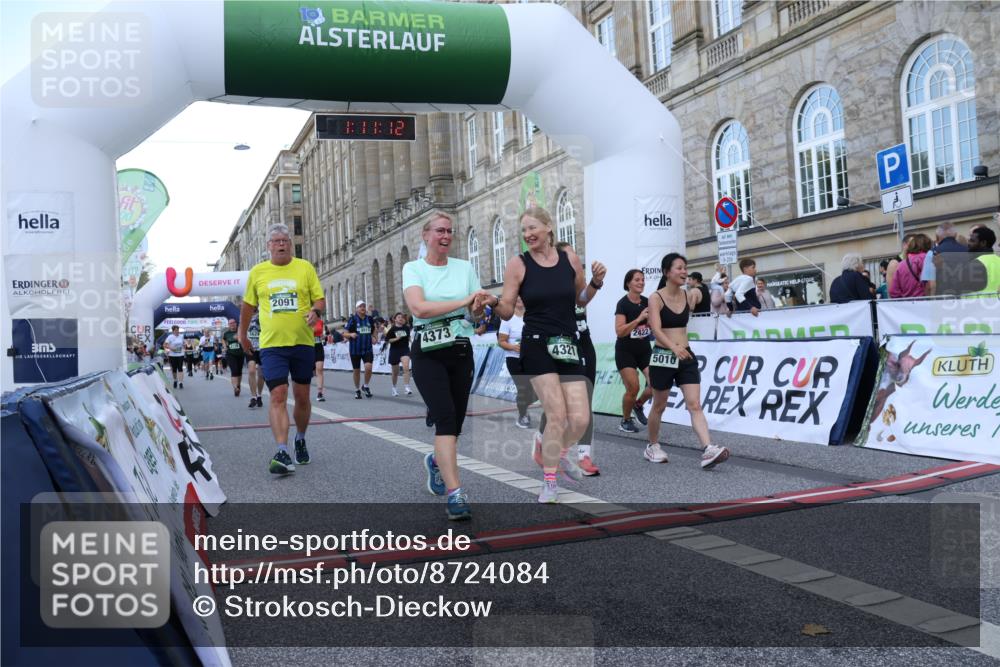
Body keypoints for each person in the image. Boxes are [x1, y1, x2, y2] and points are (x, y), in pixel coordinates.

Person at [489, 206, 606, 503]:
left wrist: (595, 283)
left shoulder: (569, 258)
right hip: (537, 342)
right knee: (557, 414)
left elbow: (580, 300)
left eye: (533, 228)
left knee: (579, 419)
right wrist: (492, 302)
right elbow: (506, 308)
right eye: (524, 230)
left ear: (549, 227)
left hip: (567, 342)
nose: (528, 235)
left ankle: (554, 450)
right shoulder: (518, 263)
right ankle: (550, 481)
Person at [402, 211, 489, 520]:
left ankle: (437, 463)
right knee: (445, 418)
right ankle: (456, 494)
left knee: (456, 424)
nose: (446, 235)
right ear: (425, 236)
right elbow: (419, 309)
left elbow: (475, 316)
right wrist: (465, 301)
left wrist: (477, 309)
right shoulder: (413, 269)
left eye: (450, 231)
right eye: (439, 230)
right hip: (426, 351)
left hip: (460, 348)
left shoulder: (464, 268)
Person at [238, 223, 325, 475]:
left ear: (290, 243)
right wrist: (242, 334)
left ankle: (300, 438)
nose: (281, 244)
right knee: (277, 395)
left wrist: (316, 311)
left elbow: (319, 298)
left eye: (285, 240)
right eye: (276, 241)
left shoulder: (304, 267)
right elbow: (247, 306)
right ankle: (282, 450)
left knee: (302, 397)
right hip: (272, 344)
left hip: (302, 342)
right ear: (268, 246)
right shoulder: (258, 272)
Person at [645, 253, 729, 468]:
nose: (684, 272)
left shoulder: (688, 294)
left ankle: (708, 448)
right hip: (664, 355)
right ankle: (652, 446)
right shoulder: (656, 297)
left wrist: (720, 283)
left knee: (694, 404)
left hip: (686, 356)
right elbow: (655, 328)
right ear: (667, 272)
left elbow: (709, 297)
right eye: (679, 268)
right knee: (659, 406)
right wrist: (673, 347)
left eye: (686, 268)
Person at [533, 241, 602, 476]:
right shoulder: (553, 287)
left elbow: (584, 299)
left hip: (583, 344)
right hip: (558, 344)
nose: (575, 264)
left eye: (576, 259)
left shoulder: (578, 284)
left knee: (585, 401)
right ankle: (542, 438)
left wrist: (596, 281)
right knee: (556, 405)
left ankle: (584, 454)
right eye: (570, 258)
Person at [614, 269, 653, 434]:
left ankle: (638, 405)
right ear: (628, 283)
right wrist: (638, 320)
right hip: (626, 351)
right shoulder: (622, 304)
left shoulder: (648, 301)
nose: (641, 282)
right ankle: (625, 420)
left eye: (643, 279)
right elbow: (620, 331)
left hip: (644, 349)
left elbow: (653, 325)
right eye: (637, 280)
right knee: (633, 387)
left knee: (656, 384)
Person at [498, 297, 536, 429]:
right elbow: (501, 341)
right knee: (523, 388)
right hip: (514, 359)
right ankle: (522, 416)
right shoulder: (507, 318)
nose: (520, 299)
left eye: (522, 296)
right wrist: (514, 347)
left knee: (537, 388)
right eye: (517, 297)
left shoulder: (532, 316)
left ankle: (522, 405)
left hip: (531, 358)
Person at [922, 222, 967, 296]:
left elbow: (928, 283)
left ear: (937, 236)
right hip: (964, 298)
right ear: (955, 235)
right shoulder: (967, 250)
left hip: (941, 298)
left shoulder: (932, 253)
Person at [345, 300, 375, 399]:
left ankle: (365, 386)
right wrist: (350, 334)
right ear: (357, 309)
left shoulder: (370, 319)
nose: (363, 308)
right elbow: (344, 333)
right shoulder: (352, 320)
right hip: (355, 349)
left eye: (364, 306)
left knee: (368, 367)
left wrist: (375, 338)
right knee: (356, 371)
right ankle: (357, 389)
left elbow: (373, 330)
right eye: (360, 306)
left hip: (367, 348)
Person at [889, 234, 932, 299]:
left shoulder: (901, 265)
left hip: (907, 306)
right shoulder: (927, 258)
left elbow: (893, 291)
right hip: (925, 304)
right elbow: (931, 286)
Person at [386, 312, 413, 397]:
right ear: (395, 319)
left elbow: (409, 338)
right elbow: (388, 340)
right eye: (398, 317)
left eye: (402, 317)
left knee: (406, 367)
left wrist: (412, 342)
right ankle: (394, 388)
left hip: (404, 349)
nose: (401, 318)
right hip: (395, 350)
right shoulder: (392, 329)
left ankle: (407, 387)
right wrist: (396, 339)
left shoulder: (406, 328)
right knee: (395, 372)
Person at [222, 318, 245, 398]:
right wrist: (225, 346)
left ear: (236, 323)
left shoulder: (240, 331)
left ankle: (238, 385)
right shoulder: (226, 333)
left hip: (240, 354)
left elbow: (244, 339)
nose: (232, 324)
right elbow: (223, 340)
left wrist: (240, 338)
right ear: (228, 325)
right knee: (234, 370)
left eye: (233, 323)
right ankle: (235, 388)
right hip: (230, 354)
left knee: (239, 371)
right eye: (230, 323)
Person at [245, 313, 264, 408]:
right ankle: (253, 397)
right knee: (251, 371)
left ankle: (259, 395)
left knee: (261, 374)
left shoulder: (263, 313)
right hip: (251, 348)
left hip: (262, 348)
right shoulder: (245, 316)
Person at [163, 325, 186, 389]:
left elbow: (183, 343)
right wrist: (171, 348)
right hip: (172, 355)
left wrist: (184, 345)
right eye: (176, 330)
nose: (177, 331)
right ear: (173, 331)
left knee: (180, 368)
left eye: (178, 330)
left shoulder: (181, 336)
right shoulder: (170, 337)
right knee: (174, 369)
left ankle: (180, 382)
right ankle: (175, 380)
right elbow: (164, 345)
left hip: (180, 354)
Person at [312, 318, 326, 402]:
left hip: (318, 347)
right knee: (313, 372)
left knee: (320, 369)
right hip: (308, 347)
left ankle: (320, 393)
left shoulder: (320, 321)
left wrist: (322, 336)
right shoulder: (304, 319)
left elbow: (322, 333)